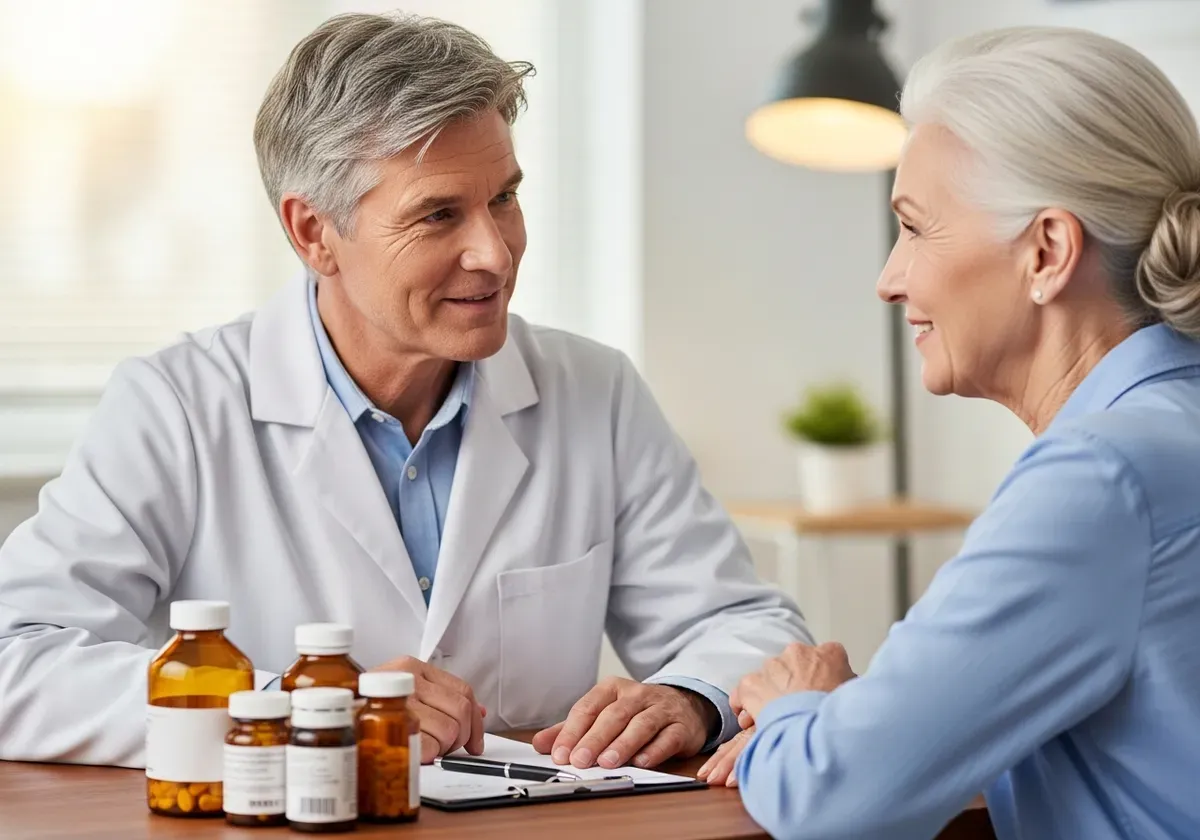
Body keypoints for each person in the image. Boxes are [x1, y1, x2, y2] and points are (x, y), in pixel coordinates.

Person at [0, 12, 809, 770]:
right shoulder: (176, 406)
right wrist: (303, 707)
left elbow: (745, 625)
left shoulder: (594, 392)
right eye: (438, 216)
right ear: (314, 232)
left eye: (504, 198)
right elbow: (16, 661)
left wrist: (689, 695)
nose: (495, 253)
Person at [702, 25, 1200, 840]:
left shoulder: (1101, 478)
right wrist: (874, 719)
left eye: (915, 228)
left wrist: (795, 706)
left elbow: (834, 804)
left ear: (1047, 251)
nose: (888, 280)